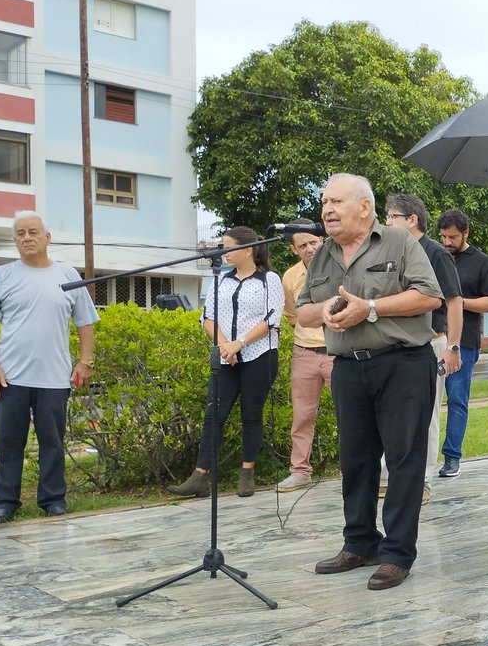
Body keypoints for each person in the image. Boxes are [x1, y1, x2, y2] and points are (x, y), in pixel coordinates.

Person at [295, 174, 442, 591]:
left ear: (365, 206)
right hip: (347, 367)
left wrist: (371, 308)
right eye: (324, 201)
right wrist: (325, 308)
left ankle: (397, 553)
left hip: (403, 363)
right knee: (356, 460)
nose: (326, 209)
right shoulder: (322, 254)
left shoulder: (398, 242)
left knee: (403, 461)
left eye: (336, 201)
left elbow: (429, 296)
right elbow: (302, 312)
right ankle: (359, 543)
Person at [0, 212, 98, 523]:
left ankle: (53, 499)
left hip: (55, 378)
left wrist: (86, 362)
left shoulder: (67, 275)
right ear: (15, 240)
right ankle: (5, 503)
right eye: (19, 233)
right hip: (10, 378)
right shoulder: (0, 277)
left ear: (47, 238)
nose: (26, 237)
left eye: (32, 232)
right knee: (9, 443)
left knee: (53, 443)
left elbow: (85, 321)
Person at [169, 226, 284, 499]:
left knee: (251, 414)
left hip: (260, 355)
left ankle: (247, 473)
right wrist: (225, 347)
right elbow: (207, 317)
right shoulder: (220, 279)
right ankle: (200, 476)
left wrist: (240, 343)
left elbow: (271, 319)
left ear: (248, 250)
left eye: (229, 247)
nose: (224, 252)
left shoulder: (269, 280)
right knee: (213, 414)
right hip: (225, 356)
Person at [383, 193, 463, 505]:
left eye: (392, 217)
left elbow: (455, 301)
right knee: (391, 415)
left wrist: (453, 347)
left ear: (412, 220)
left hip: (431, 342)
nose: (387, 223)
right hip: (394, 344)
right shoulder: (391, 251)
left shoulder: (435, 253)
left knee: (426, 415)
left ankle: (423, 481)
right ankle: (388, 477)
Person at [437, 209, 488, 478]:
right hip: (431, 338)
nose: (448, 242)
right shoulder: (436, 257)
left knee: (457, 400)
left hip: (464, 343)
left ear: (466, 233)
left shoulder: (482, 263)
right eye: (443, 237)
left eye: (453, 237)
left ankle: (452, 457)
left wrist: (458, 302)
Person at [277, 221, 332, 492]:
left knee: (353, 413)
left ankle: (362, 469)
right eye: (303, 245)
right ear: (293, 248)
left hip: (337, 352)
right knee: (301, 416)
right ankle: (300, 470)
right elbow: (292, 317)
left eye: (313, 242)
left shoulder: (339, 268)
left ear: (322, 241)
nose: (309, 249)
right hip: (304, 353)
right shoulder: (290, 277)